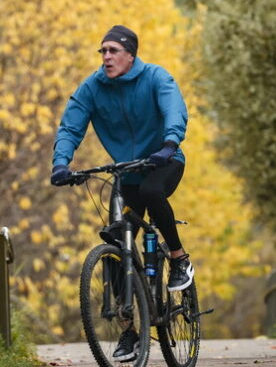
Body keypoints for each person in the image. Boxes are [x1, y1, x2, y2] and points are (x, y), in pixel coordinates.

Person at [50, 24, 193, 361]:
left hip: (164, 159)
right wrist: (61, 164)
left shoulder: (156, 77)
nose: (106, 57)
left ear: (131, 55)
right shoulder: (93, 88)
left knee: (152, 190)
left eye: (113, 50)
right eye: (102, 51)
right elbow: (71, 125)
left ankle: (178, 259)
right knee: (117, 240)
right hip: (126, 170)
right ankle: (129, 331)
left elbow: (175, 109)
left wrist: (170, 142)